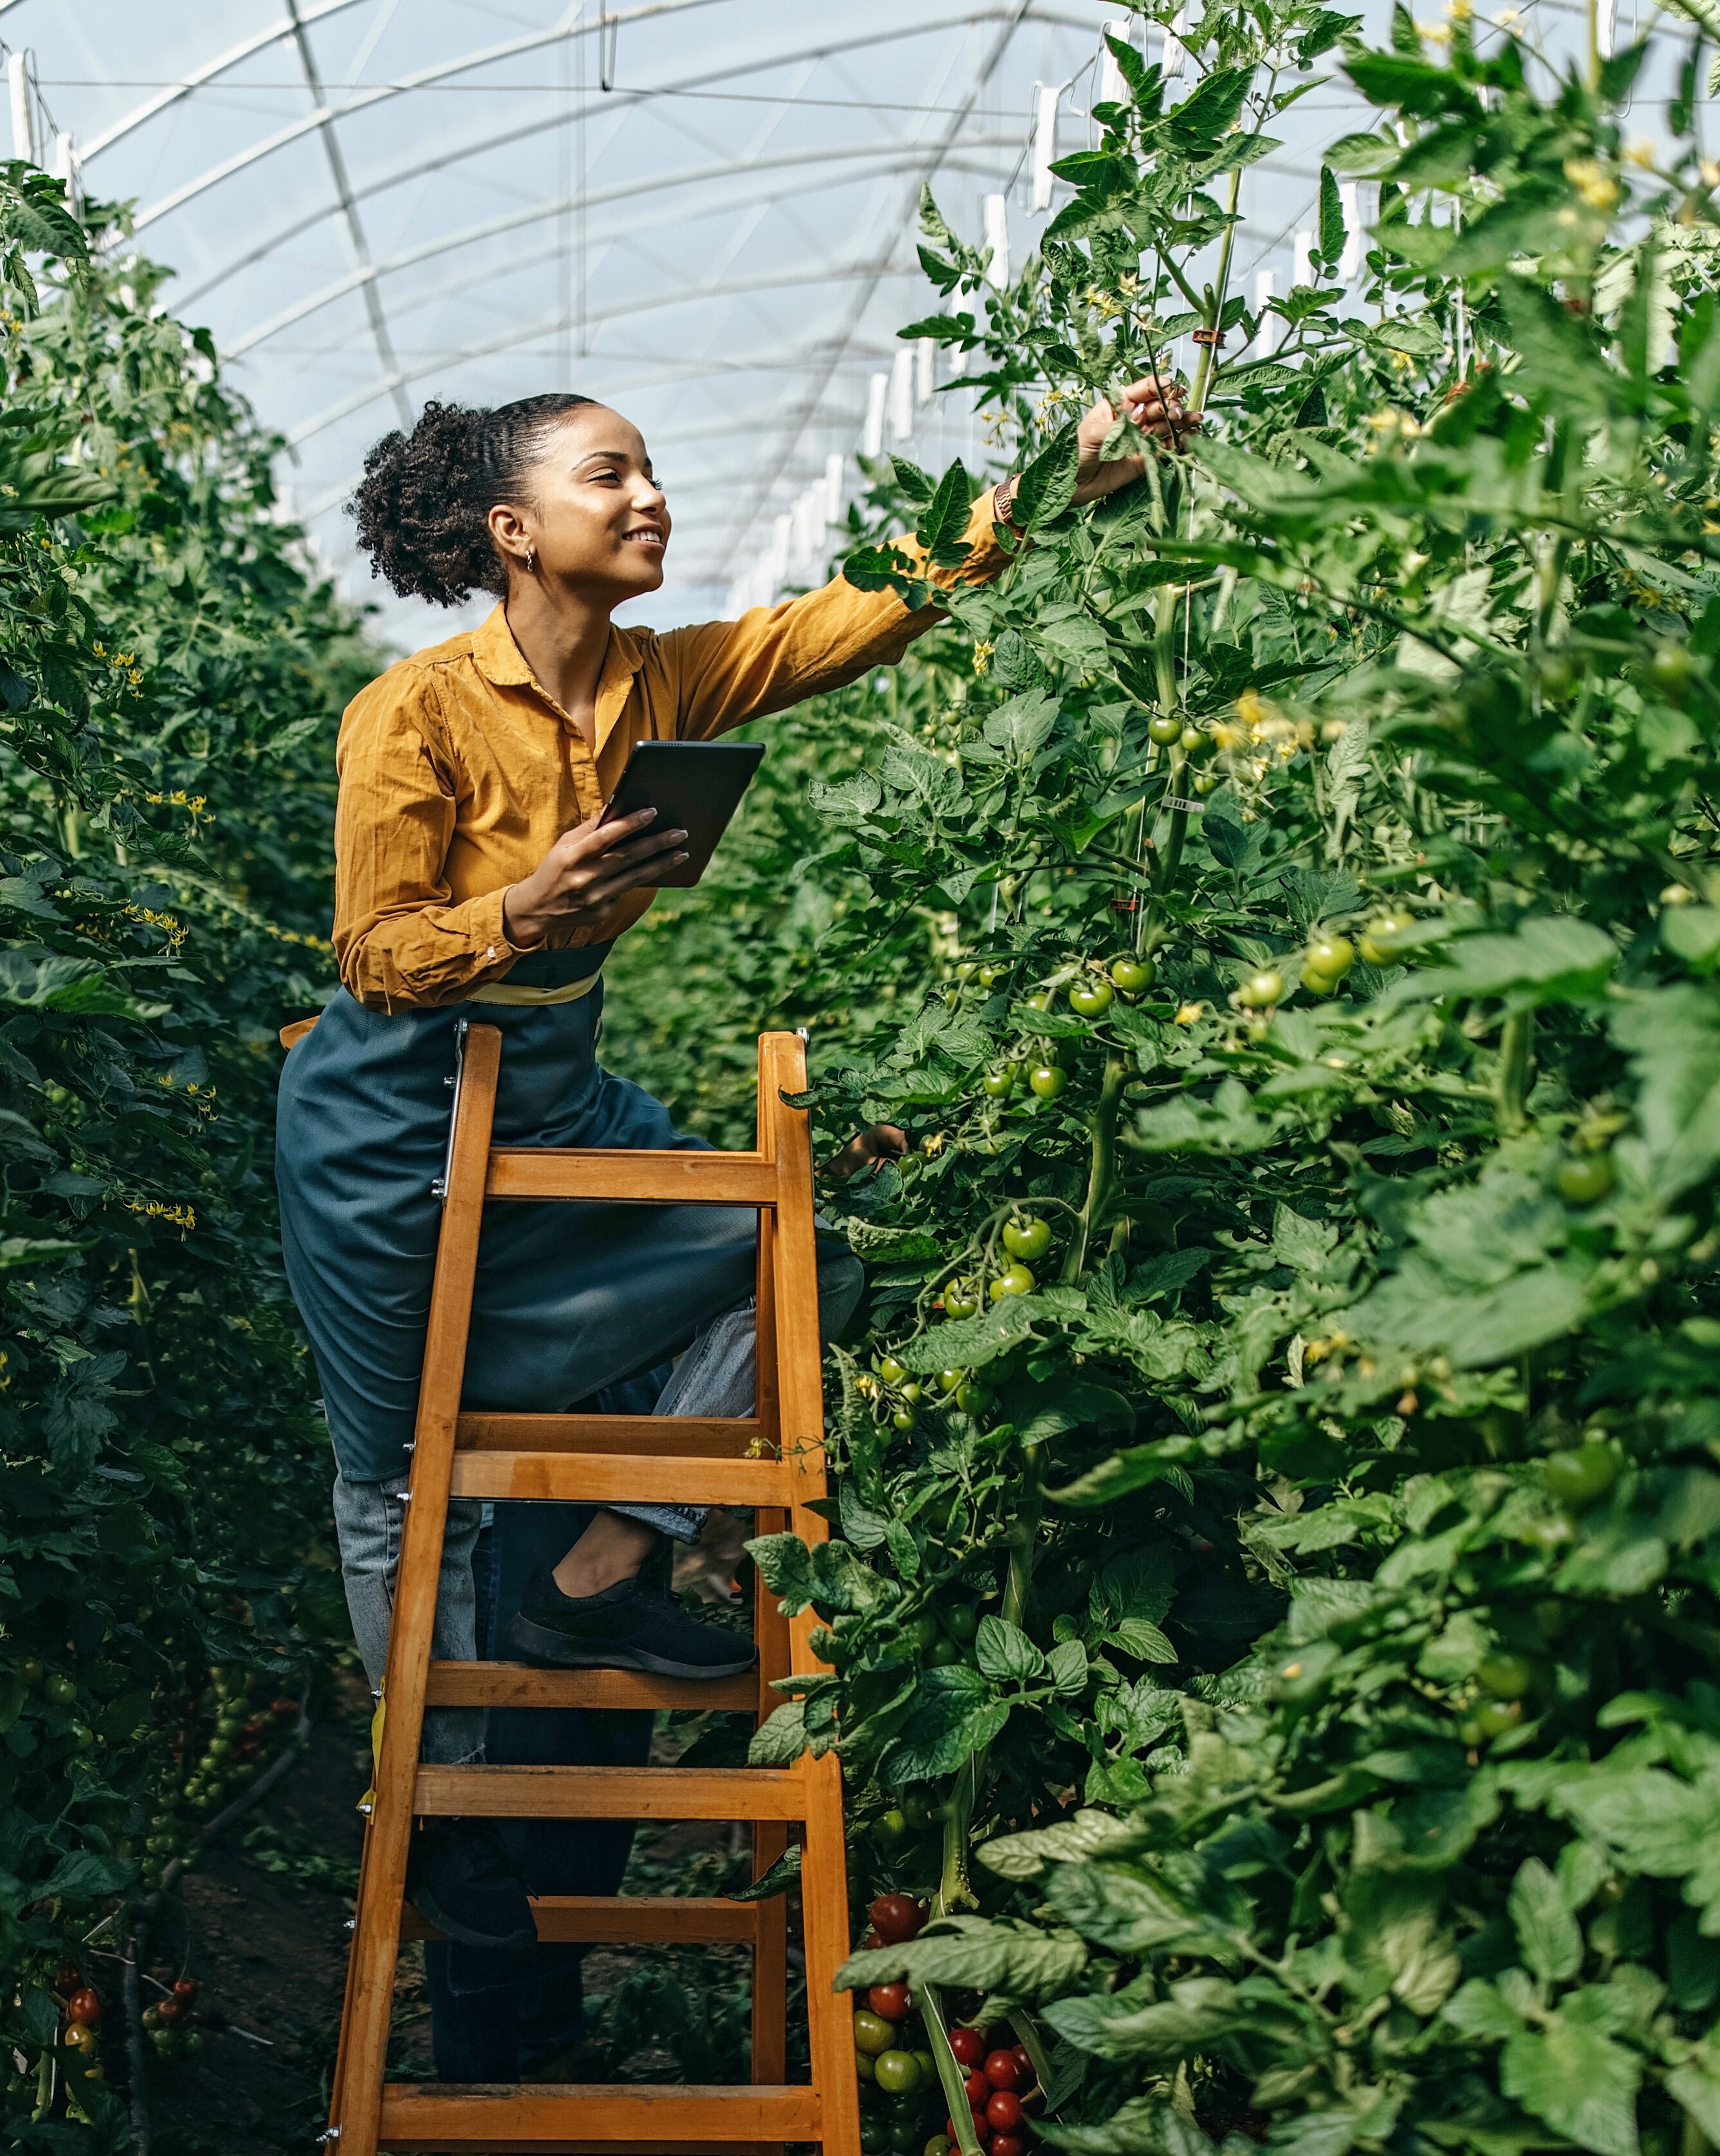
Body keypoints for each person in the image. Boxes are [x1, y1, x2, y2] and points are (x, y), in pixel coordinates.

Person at [275, 379, 1187, 2018]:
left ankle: (613, 1557)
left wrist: (1054, 482)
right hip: (393, 1122)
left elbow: (863, 613)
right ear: (511, 528)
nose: (647, 498)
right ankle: (437, 1791)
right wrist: (523, 909)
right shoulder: (410, 713)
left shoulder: (666, 677)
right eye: (606, 474)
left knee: (792, 1252)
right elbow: (372, 951)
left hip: (558, 1091)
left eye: (649, 470)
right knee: (410, 1471)